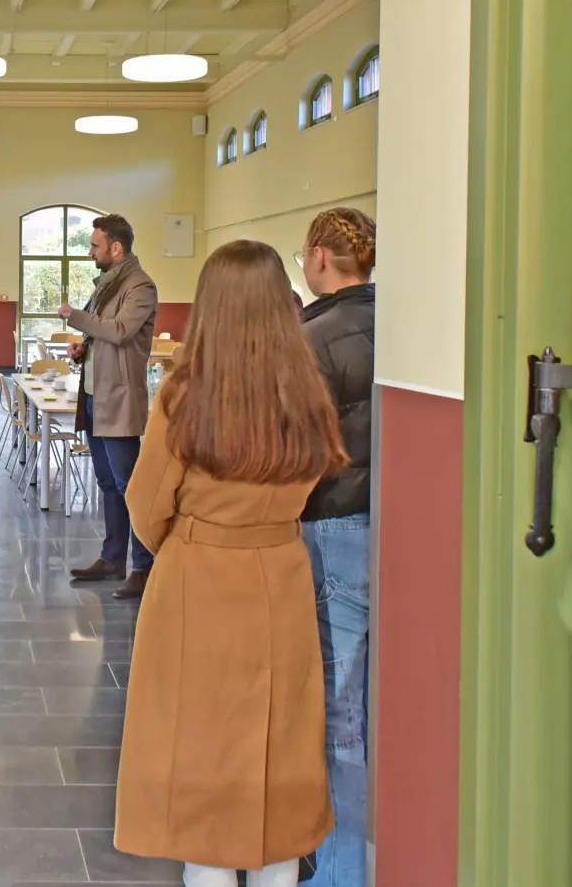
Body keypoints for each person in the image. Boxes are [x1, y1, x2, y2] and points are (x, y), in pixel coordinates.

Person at [114, 239, 348, 887]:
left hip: (199, 577)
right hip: (281, 573)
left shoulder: (185, 394)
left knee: (205, 764)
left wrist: (190, 543)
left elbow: (146, 501)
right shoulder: (306, 391)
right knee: (281, 758)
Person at [294, 207, 377, 887]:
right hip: (392, 525)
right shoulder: (399, 319)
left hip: (334, 524)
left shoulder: (315, 336)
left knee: (341, 705)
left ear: (321, 257)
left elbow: (297, 447)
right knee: (378, 694)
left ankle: (341, 869)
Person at [58, 213, 160, 600]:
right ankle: (112, 557)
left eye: (95, 246)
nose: (90, 253)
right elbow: (103, 334)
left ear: (117, 248)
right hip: (94, 396)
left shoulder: (140, 286)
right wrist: (84, 347)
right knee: (106, 482)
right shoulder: (109, 285)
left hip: (117, 398)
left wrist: (76, 316)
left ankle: (143, 565)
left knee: (128, 485)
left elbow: (119, 331)